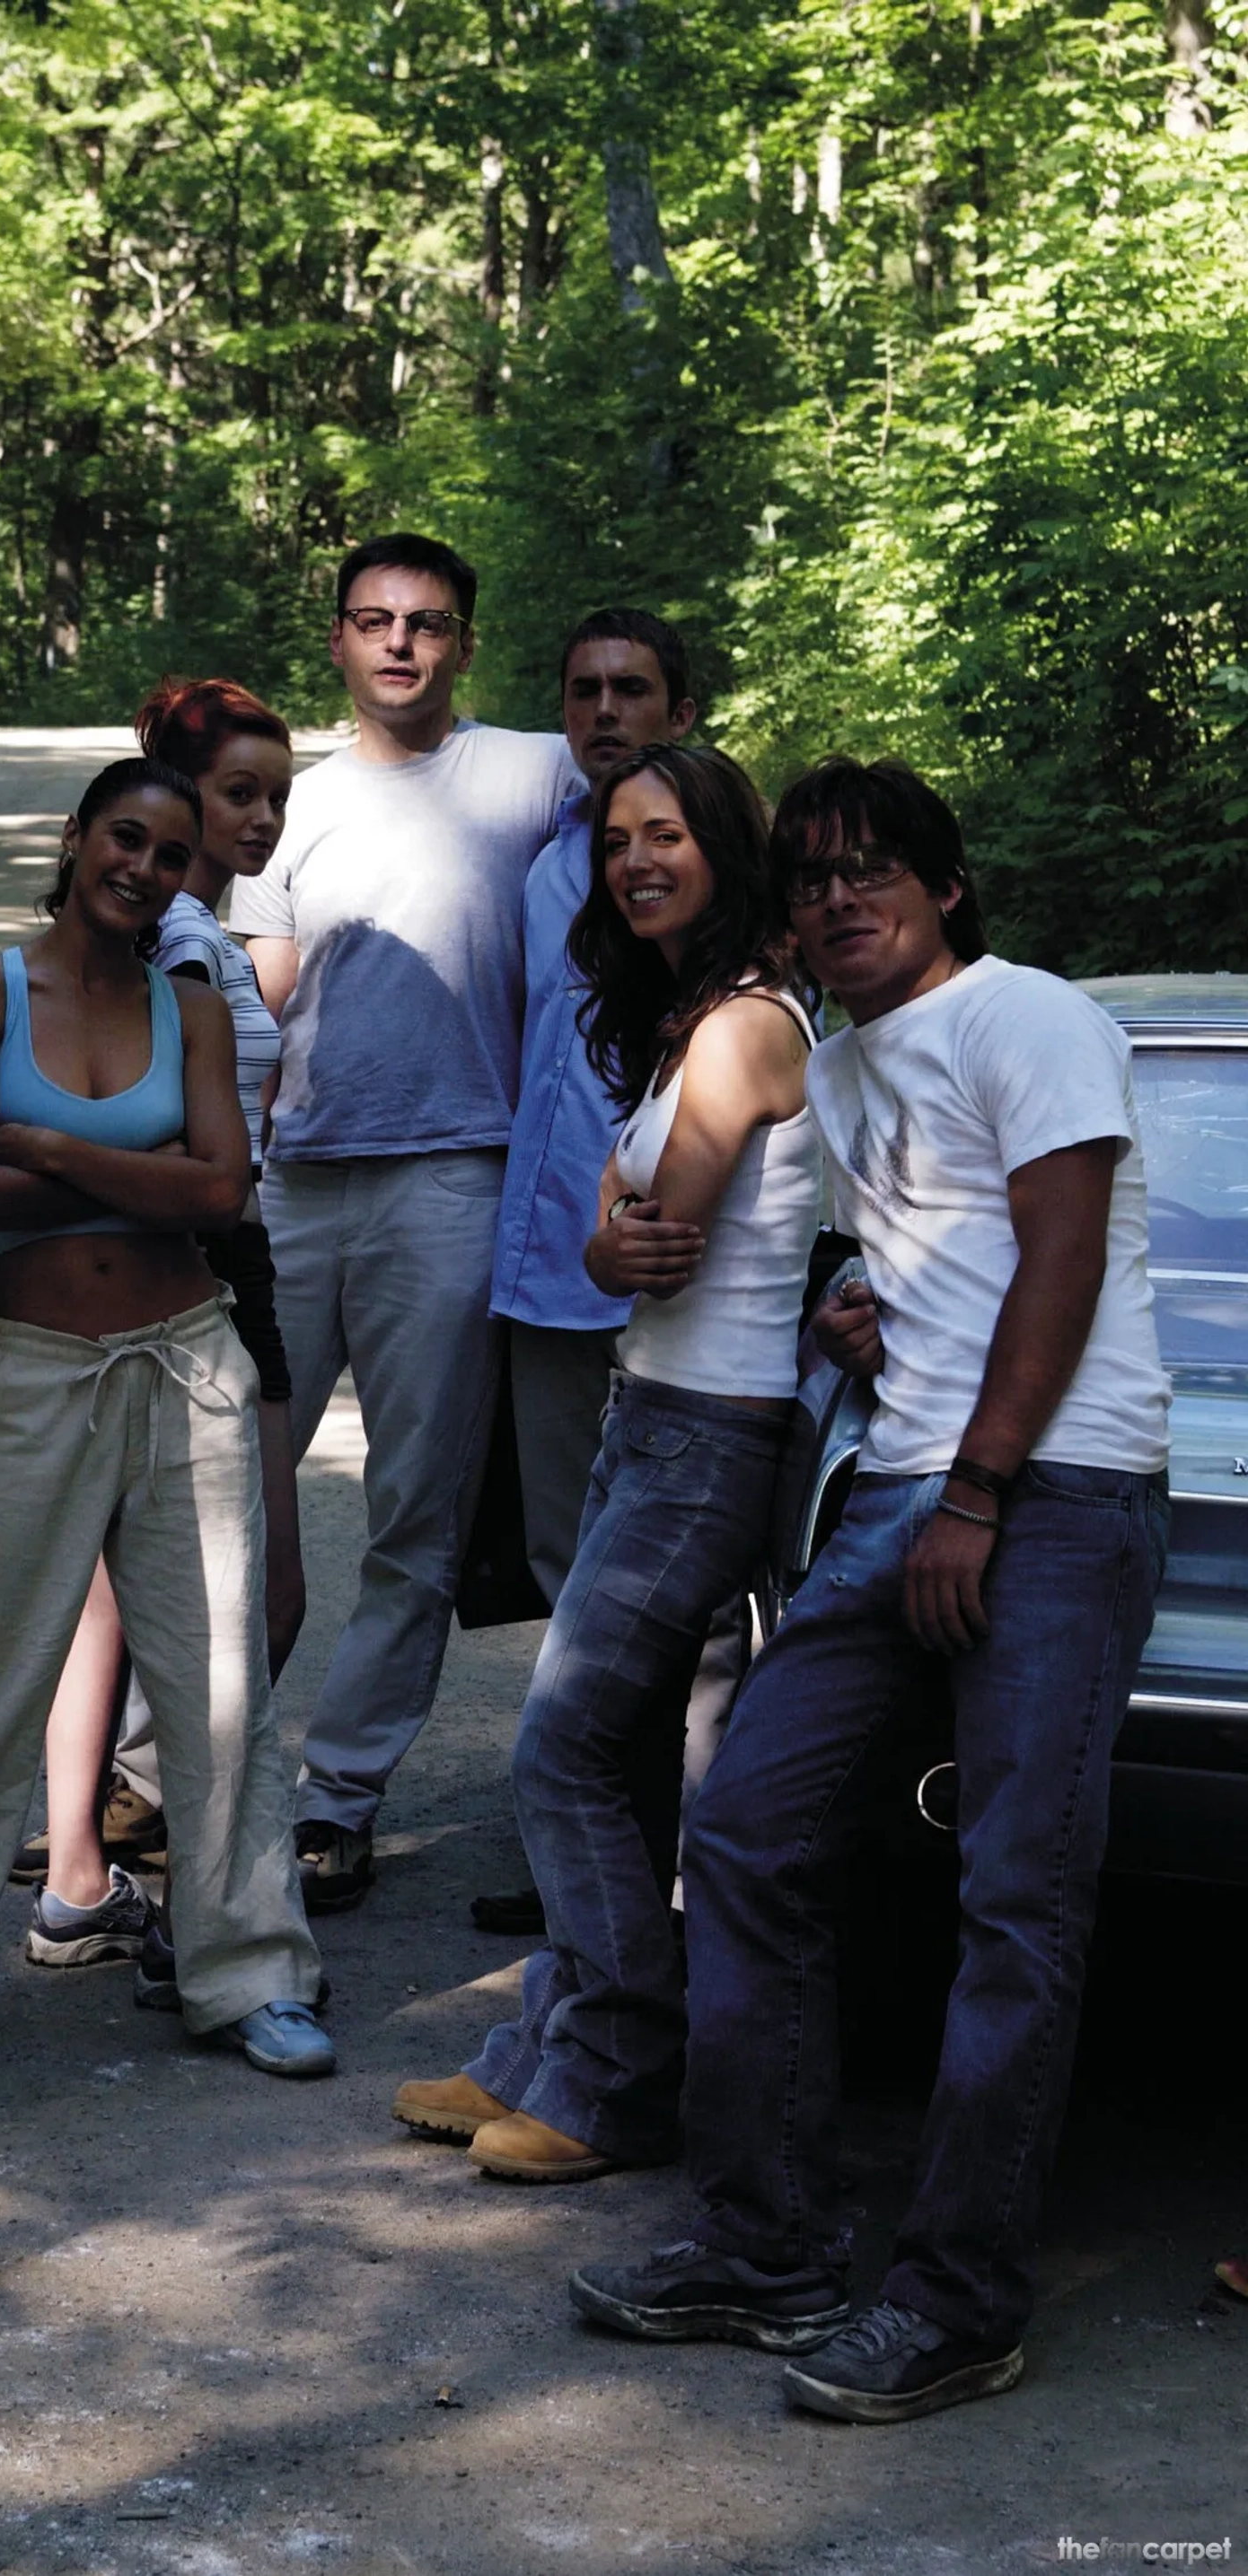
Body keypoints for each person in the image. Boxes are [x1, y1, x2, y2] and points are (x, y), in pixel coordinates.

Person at [569, 759, 1172, 2422]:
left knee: (1012, 1899)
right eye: (816, 878)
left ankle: (960, 2295)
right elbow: (924, 1259)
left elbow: (1062, 1253)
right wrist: (861, 1316)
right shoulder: (837, 1073)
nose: (842, 899)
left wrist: (977, 1487)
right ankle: (765, 2241)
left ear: (946, 886)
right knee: (751, 1827)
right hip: (903, 1487)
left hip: (1048, 1491)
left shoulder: (1028, 1015)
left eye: (876, 870)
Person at [0, 757, 332, 2080]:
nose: (142, 868)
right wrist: (131, 1173)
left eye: (169, 852)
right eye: (125, 838)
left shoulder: (189, 1004)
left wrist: (53, 1150)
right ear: (78, 837)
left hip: (187, 1362)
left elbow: (218, 1192)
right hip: (40, 1366)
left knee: (217, 1682)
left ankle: (249, 1967)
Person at [392, 745, 821, 2180]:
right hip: (654, 1415)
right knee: (624, 1749)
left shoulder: (748, 1021)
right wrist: (608, 1214)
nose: (639, 859)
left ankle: (625, 2064)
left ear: (725, 846)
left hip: (712, 1436)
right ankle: (549, 2043)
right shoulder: (685, 1016)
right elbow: (614, 1229)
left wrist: (612, 1213)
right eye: (622, 838)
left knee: (562, 1746)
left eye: (670, 835)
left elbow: (655, 1240)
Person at [229, 531, 578, 1911]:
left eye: (427, 623)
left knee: (413, 1514)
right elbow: (263, 993)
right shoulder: (295, 806)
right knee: (220, 1496)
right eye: (373, 621)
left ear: (463, 642)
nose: (399, 645)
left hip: (460, 1176)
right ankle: (178, 1774)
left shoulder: (537, 773)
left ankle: (338, 1796)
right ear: (336, 640)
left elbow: (664, 858)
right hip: (295, 1182)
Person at [16, 679, 305, 2000]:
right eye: (237, 795)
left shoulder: (206, 932)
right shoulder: (181, 944)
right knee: (245, 1603)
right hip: (204, 1272)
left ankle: (85, 1871)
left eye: (274, 798)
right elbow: (205, 1167)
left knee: (111, 1603)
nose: (262, 819)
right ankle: (194, 1888)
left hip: (208, 1249)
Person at [475, 608, 747, 1939]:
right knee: (563, 1570)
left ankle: (662, 1862)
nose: (603, 711)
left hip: (670, 1290)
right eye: (581, 689)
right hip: (545, 1270)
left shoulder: (716, 889)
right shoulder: (542, 868)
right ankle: (581, 1845)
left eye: (632, 689)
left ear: (679, 710)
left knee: (664, 1604)